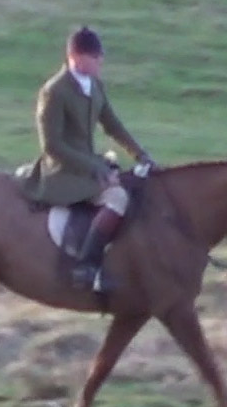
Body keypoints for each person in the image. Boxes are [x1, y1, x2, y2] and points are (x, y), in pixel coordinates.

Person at [18, 26, 155, 290]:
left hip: (88, 163)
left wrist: (140, 154)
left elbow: (113, 125)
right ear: (78, 58)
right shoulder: (54, 91)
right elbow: (52, 145)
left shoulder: (95, 86)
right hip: (63, 170)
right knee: (117, 198)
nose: (100, 62)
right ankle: (86, 267)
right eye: (96, 57)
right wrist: (95, 168)